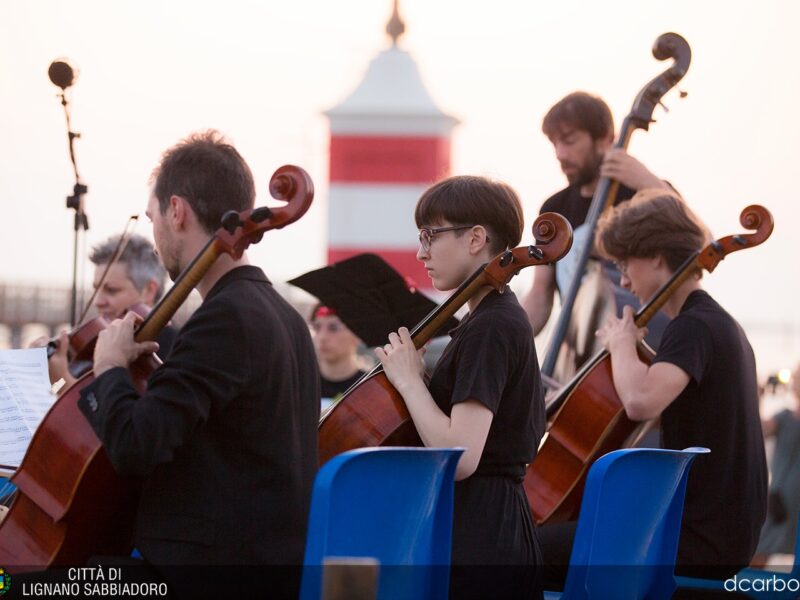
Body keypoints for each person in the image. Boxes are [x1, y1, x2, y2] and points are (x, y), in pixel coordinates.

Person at [75, 130, 320, 597]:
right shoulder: (284, 317)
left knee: (19, 581)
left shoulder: (225, 318)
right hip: (264, 568)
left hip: (197, 574)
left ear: (176, 211)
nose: (155, 233)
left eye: (153, 218)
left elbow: (133, 445)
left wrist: (108, 366)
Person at [376, 175, 544, 599]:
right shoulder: (492, 319)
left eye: (430, 235)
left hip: (481, 542)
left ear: (475, 239)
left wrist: (411, 383)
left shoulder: (492, 325)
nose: (421, 252)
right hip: (486, 531)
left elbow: (462, 455)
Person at [594, 190, 767, 578]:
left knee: (531, 551)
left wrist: (622, 344)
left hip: (696, 539)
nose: (623, 280)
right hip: (720, 536)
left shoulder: (693, 326)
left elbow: (640, 401)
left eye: (625, 264)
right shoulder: (717, 324)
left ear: (657, 256)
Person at [523, 91, 671, 346]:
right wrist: (508, 338)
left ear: (604, 139)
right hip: (576, 348)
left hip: (641, 344)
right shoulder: (554, 209)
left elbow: (699, 246)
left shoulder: (645, 195)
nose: (559, 153)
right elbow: (540, 294)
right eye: (554, 143)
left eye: (568, 140)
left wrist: (649, 183)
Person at [38, 233, 176, 390]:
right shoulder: (99, 346)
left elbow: (115, 412)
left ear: (149, 290)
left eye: (111, 290)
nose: (98, 302)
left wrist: (63, 381)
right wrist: (45, 377)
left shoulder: (169, 348)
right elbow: (63, 387)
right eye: (97, 289)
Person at [753, 364, 800, 567]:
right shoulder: (785, 417)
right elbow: (756, 430)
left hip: (789, 500)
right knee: (760, 552)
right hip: (782, 501)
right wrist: (756, 395)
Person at [310, 303, 367, 409]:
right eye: (316, 327)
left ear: (358, 333)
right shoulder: (300, 385)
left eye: (334, 328)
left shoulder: (370, 387)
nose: (322, 337)